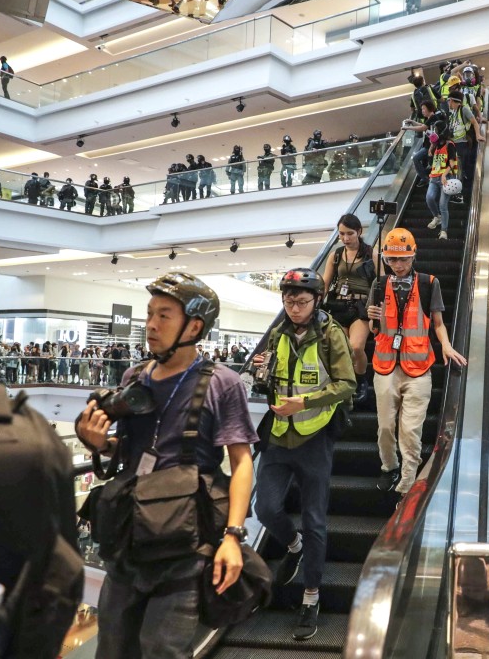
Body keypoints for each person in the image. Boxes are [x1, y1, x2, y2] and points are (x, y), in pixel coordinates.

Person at [75, 272, 257, 659]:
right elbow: (127, 450)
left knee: (163, 650)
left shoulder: (222, 383)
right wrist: (98, 444)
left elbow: (242, 463)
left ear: (194, 326)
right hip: (128, 539)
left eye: (164, 316)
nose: (151, 325)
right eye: (149, 314)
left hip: (184, 546)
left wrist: (233, 537)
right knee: (112, 648)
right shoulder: (134, 378)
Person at [250, 268, 355, 642]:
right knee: (265, 508)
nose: (293, 308)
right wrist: (265, 375)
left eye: (301, 301)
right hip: (279, 435)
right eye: (288, 301)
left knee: (315, 521)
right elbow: (271, 379)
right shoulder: (278, 334)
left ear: (317, 301)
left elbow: (347, 384)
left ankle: (311, 597)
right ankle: (292, 547)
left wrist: (304, 402)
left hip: (314, 438)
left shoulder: (331, 335)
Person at [367, 228, 467, 495]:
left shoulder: (428, 283)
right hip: (385, 365)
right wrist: (371, 317)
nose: (398, 265)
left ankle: (408, 482)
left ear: (413, 256)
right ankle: (389, 466)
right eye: (392, 260)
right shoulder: (378, 285)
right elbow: (374, 330)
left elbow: (437, 323)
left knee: (411, 429)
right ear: (386, 259)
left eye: (404, 259)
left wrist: (445, 345)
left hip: (418, 366)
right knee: (386, 426)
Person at [321, 214, 378, 406]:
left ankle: (361, 381)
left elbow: (381, 283)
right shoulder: (336, 255)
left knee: (355, 347)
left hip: (361, 307)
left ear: (359, 232)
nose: (346, 238)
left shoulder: (371, 253)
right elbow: (325, 283)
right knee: (339, 349)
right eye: (342, 234)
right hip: (338, 305)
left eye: (350, 233)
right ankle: (344, 383)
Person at [444, 89, 485, 200]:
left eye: (449, 101)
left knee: (460, 168)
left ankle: (460, 194)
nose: (448, 103)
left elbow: (475, 123)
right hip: (453, 144)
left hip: (462, 144)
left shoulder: (464, 109)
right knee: (455, 168)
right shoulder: (452, 112)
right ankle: (456, 192)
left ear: (452, 100)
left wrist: (477, 135)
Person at [424, 114, 458, 240]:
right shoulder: (436, 145)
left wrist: (444, 175)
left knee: (443, 204)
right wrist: (432, 146)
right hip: (434, 177)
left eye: (436, 130)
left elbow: (452, 163)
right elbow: (429, 158)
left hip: (446, 178)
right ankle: (436, 217)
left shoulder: (450, 145)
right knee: (429, 198)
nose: (434, 133)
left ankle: (444, 231)